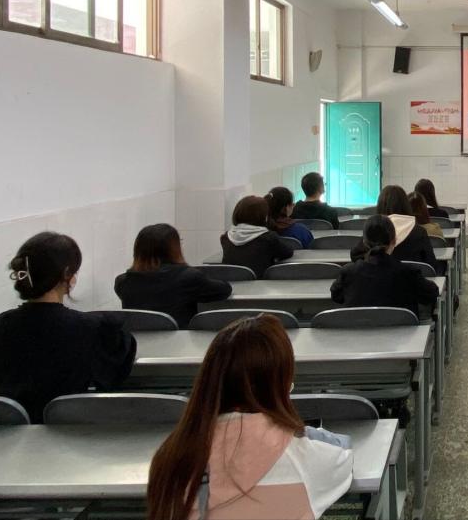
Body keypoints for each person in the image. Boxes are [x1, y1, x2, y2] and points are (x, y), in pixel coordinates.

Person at [146, 315, 353, 520]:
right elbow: (342, 451)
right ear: (281, 383)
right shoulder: (304, 454)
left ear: (210, 379)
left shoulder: (171, 457)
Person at [0, 232, 136, 423]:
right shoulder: (96, 330)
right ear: (67, 274)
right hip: (73, 433)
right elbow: (118, 372)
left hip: (5, 437)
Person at [115, 224, 232, 328]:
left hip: (137, 343)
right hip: (181, 342)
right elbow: (224, 290)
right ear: (174, 248)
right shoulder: (189, 278)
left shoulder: (122, 282)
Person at [331, 215, 440, 318]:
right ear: (394, 240)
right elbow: (431, 294)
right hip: (400, 330)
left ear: (364, 242)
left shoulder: (348, 272)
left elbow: (337, 297)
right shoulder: (409, 272)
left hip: (357, 329)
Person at [352, 185, 442, 275]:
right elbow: (431, 265)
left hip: (377, 281)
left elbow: (356, 256)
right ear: (406, 205)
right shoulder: (419, 232)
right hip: (411, 281)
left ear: (380, 205)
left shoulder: (374, 229)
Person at [221, 196, 294, 278]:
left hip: (230, 282)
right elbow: (288, 253)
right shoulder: (269, 238)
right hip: (261, 284)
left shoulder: (225, 237)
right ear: (264, 216)